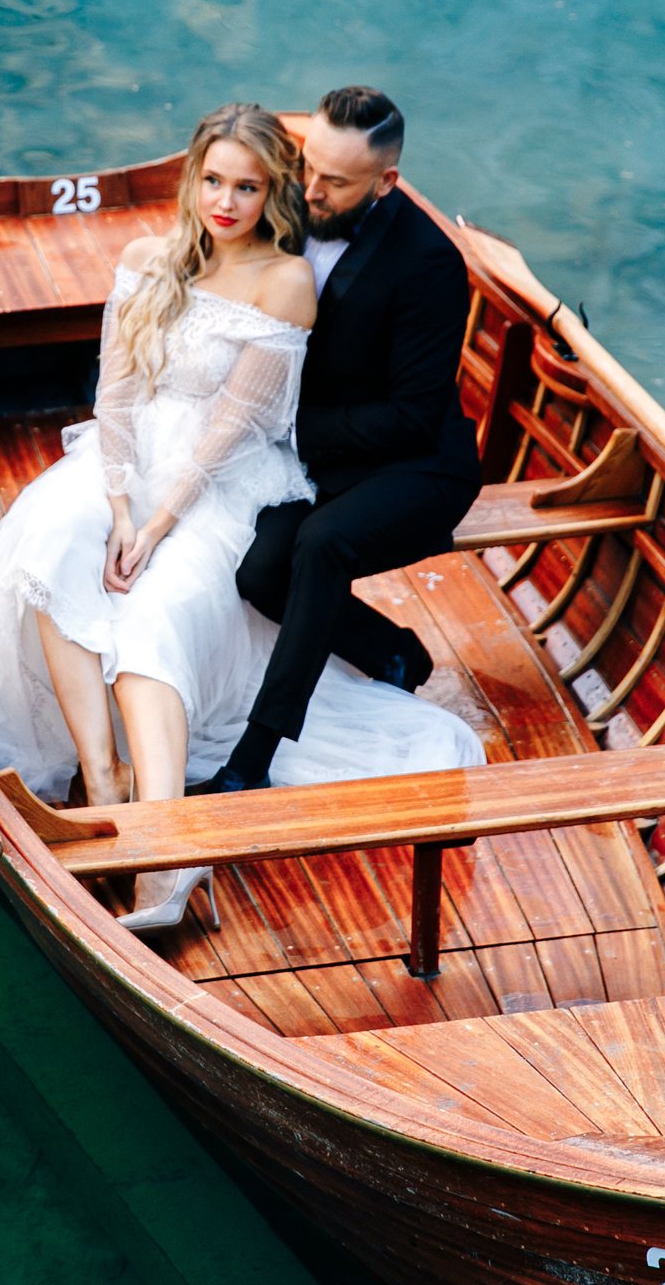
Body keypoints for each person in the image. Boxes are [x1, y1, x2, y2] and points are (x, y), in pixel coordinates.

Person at [0, 102, 479, 931]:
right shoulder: (148, 259)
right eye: (214, 181)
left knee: (170, 610)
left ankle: (170, 850)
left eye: (249, 186)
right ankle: (103, 779)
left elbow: (236, 429)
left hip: (238, 473)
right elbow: (115, 393)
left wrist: (154, 526)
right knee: (51, 544)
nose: (230, 200)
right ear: (192, 179)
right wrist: (120, 502)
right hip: (129, 462)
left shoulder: (314, 274)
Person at [205, 86, 486, 794]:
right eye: (308, 166)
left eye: (335, 181)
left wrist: (287, 429)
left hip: (420, 465)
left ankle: (251, 760)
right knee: (258, 573)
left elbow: (414, 416)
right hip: (327, 454)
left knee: (322, 544)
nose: (310, 190)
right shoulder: (295, 206)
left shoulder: (429, 262)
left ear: (386, 182)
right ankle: (393, 652)